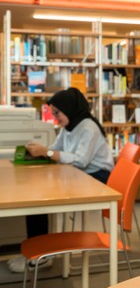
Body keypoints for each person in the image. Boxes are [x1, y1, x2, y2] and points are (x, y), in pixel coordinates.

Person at [7, 87, 114, 273]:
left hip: (98, 178)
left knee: (39, 198)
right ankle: (38, 252)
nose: (55, 117)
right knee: (37, 195)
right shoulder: (69, 126)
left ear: (69, 107)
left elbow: (81, 160)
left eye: (57, 112)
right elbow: (56, 149)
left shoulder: (88, 127)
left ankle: (41, 255)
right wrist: (41, 151)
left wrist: (47, 152)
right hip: (81, 173)